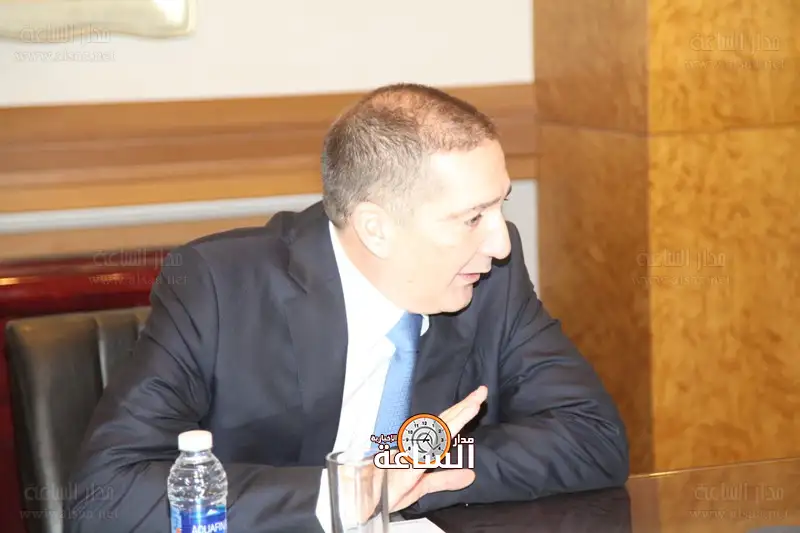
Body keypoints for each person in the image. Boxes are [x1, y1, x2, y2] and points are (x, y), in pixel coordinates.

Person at [64, 83, 629, 533]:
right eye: (472, 218)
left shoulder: (490, 277)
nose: (500, 243)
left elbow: (592, 437)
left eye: (500, 206)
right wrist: (344, 493)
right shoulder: (220, 288)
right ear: (375, 228)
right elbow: (103, 495)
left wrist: (407, 466)